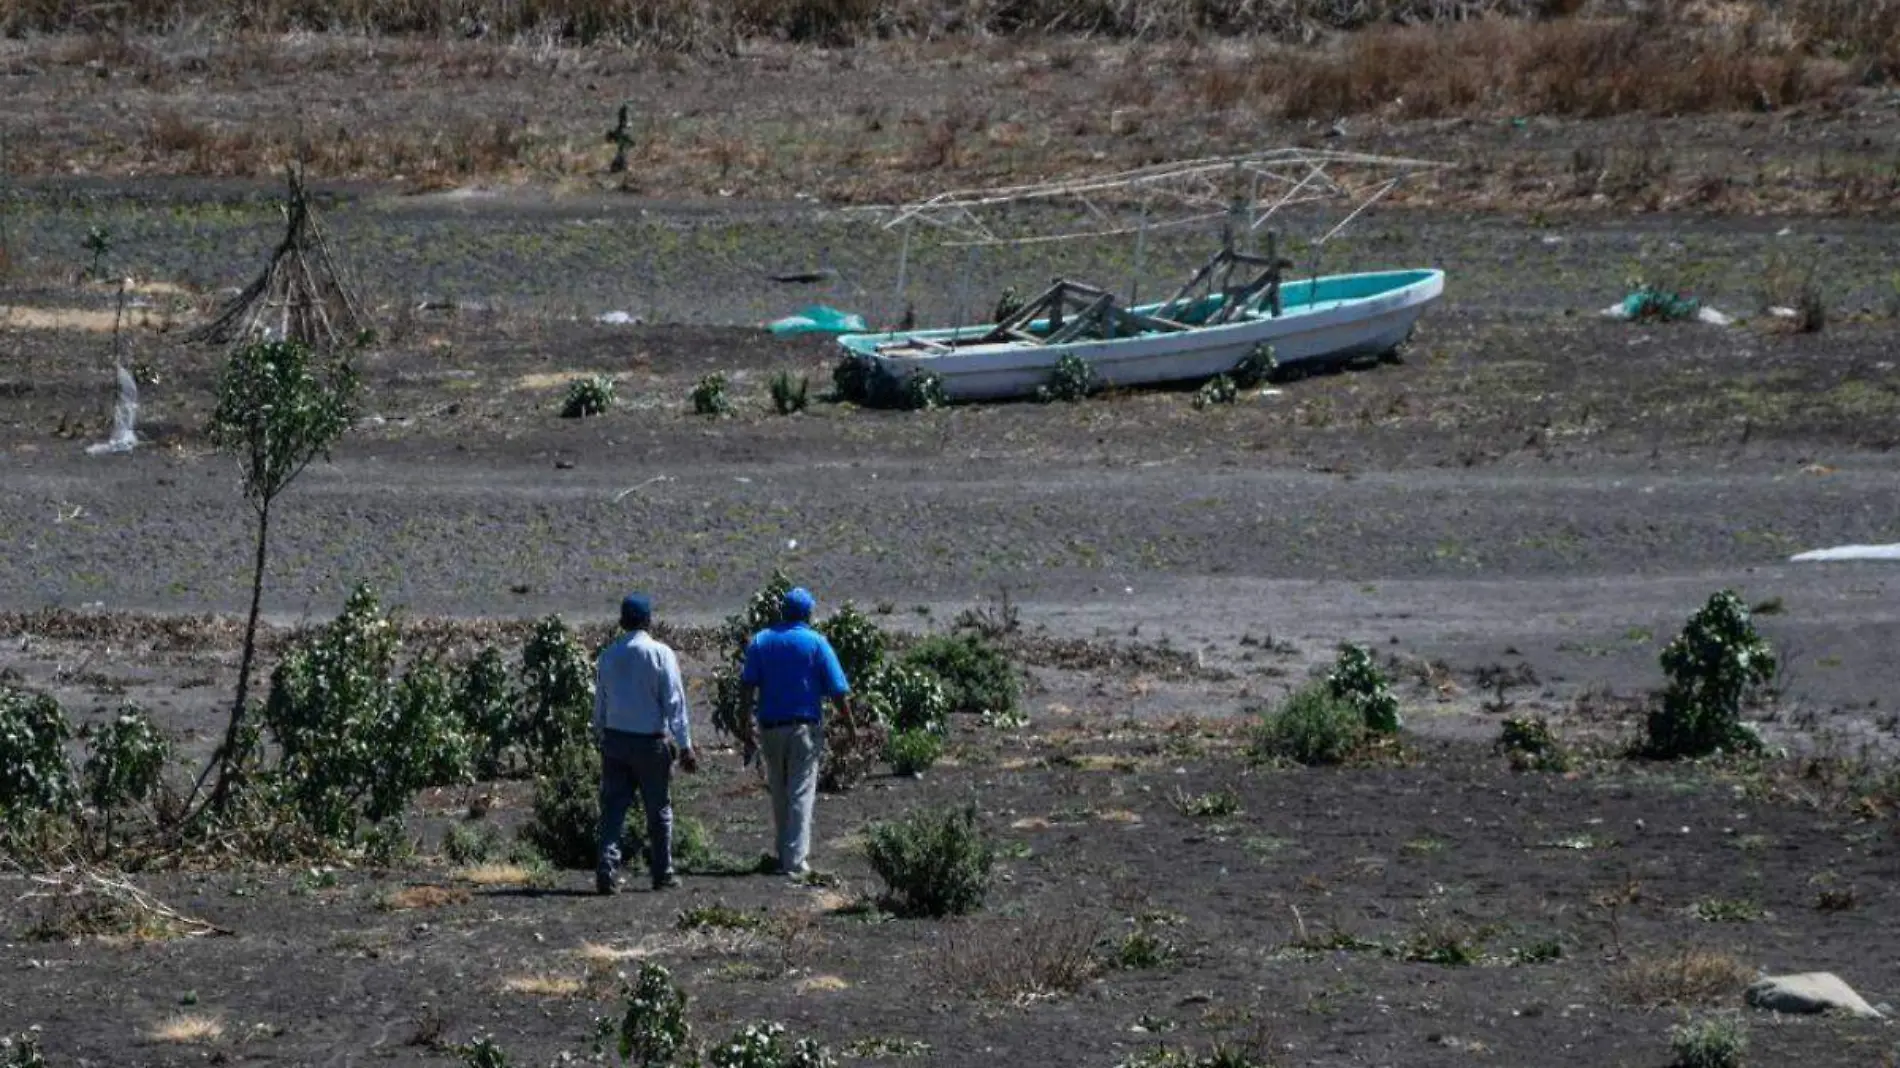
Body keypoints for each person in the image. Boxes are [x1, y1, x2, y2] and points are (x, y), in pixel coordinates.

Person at [739, 586, 854, 878]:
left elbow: (747, 687)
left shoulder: (761, 641)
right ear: (808, 613)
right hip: (803, 727)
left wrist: (745, 726)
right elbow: (838, 691)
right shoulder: (816, 642)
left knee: (779, 789)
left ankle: (783, 853)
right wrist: (850, 725)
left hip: (770, 727)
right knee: (801, 792)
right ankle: (795, 861)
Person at [593, 592, 698, 895]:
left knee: (613, 808)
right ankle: (662, 871)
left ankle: (607, 869)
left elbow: (600, 701)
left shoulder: (609, 655)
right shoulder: (661, 654)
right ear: (649, 620)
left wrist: (601, 732)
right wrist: (685, 745)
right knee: (658, 809)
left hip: (615, 740)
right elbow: (674, 702)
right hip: (651, 743)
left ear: (622, 621)